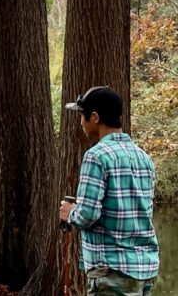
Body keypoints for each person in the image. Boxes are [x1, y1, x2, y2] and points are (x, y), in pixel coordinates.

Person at [59, 86, 159, 295]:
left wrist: (70, 213)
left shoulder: (96, 156)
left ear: (94, 117)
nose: (80, 122)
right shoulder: (144, 158)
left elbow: (87, 215)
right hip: (145, 269)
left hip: (112, 271)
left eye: (81, 115)